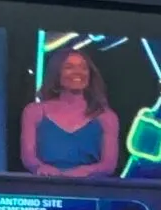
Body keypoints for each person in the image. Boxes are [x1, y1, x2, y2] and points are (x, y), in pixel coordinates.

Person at [19, 47, 125, 178]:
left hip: (88, 189)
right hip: (46, 186)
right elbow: (29, 158)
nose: (78, 72)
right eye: (69, 67)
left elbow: (108, 165)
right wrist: (41, 168)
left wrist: (85, 171)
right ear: (57, 73)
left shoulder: (106, 117)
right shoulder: (34, 111)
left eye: (83, 68)